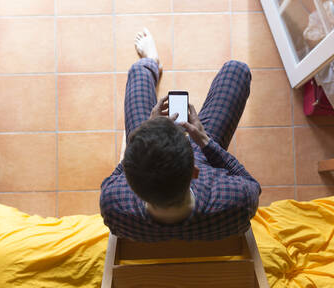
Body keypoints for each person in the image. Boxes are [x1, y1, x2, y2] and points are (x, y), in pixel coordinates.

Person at [100, 28, 261, 242]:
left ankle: (150, 61)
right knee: (236, 70)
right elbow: (251, 184)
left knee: (138, 71)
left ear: (131, 179)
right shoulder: (236, 200)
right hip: (202, 162)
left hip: (158, 178)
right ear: (195, 171)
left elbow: (111, 181)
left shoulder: (113, 204)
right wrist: (204, 141)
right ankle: (150, 63)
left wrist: (143, 133)